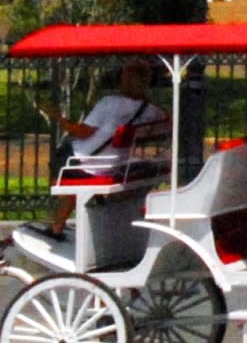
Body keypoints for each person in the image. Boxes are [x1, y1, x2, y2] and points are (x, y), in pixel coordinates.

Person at [35, 61, 164, 236]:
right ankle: (80, 214)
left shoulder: (109, 103)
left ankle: (57, 224)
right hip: (115, 165)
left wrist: (58, 117)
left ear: (125, 80)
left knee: (60, 165)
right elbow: (166, 123)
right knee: (66, 165)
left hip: (85, 163)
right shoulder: (152, 111)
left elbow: (82, 132)